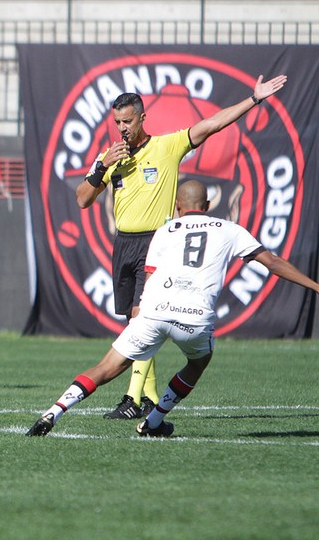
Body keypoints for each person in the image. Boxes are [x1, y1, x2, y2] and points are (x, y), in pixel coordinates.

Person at [28, 179, 319, 438]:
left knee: (106, 367)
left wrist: (140, 317)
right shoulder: (230, 229)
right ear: (207, 205)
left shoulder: (165, 230)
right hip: (194, 318)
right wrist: (315, 286)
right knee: (198, 363)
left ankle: (54, 411)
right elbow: (273, 263)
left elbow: (149, 276)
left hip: (154, 311)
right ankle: (154, 421)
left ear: (178, 206)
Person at [75, 74, 287, 419]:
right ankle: (147, 397)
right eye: (117, 122)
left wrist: (254, 99)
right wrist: (102, 165)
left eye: (127, 121)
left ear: (142, 118)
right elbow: (83, 199)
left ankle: (132, 399)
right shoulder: (111, 157)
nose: (122, 128)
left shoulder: (167, 146)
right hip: (123, 244)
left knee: (140, 319)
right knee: (134, 326)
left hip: (155, 244)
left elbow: (212, 124)